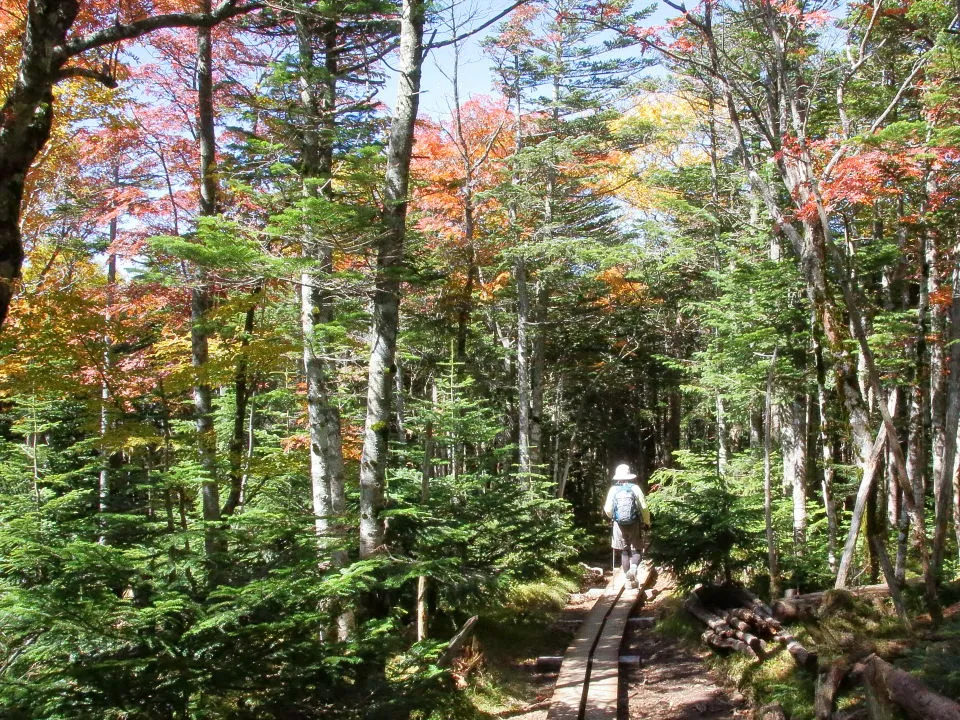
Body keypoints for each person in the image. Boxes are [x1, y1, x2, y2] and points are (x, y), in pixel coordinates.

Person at [603, 463, 651, 588]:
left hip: (618, 524)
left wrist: (613, 517)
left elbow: (608, 509)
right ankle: (634, 569)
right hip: (634, 523)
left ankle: (628, 582)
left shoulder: (613, 489)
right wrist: (647, 522)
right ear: (629, 475)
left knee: (624, 551)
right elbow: (644, 507)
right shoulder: (635, 488)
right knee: (637, 549)